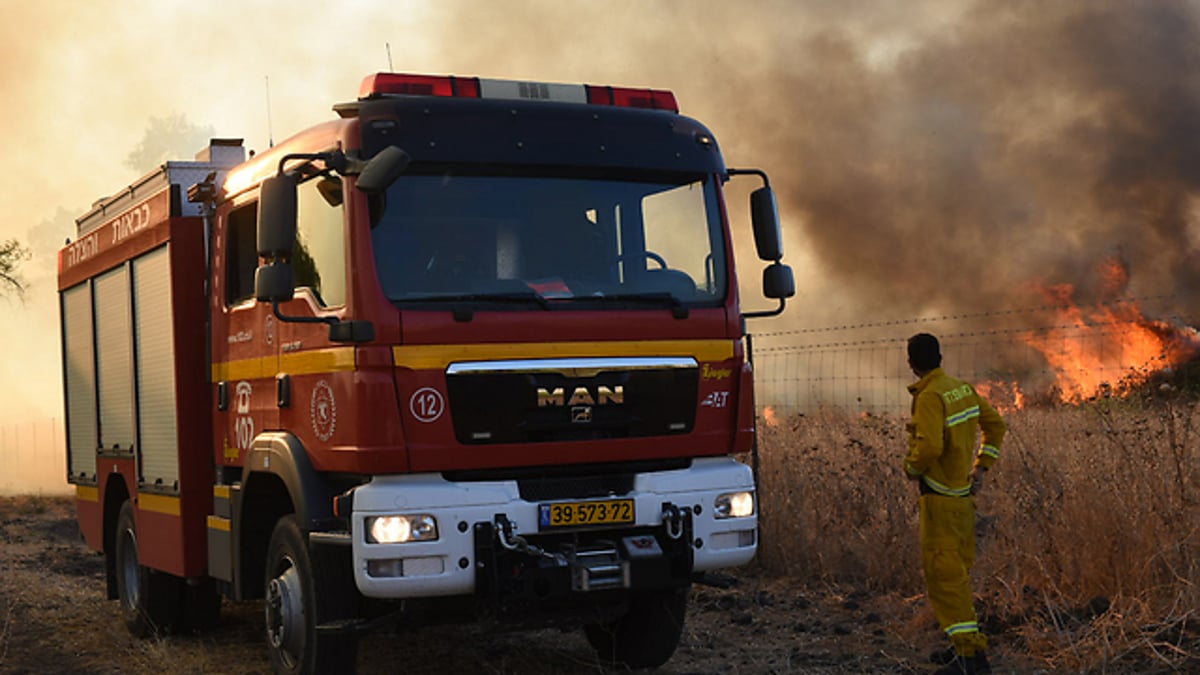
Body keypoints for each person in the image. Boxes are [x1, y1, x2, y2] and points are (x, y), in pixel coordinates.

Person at [904, 333, 1006, 675]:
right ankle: (967, 653)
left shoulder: (931, 396)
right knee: (957, 577)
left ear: (911, 363)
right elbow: (996, 426)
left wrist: (911, 466)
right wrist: (981, 468)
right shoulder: (961, 388)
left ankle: (970, 661)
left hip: (940, 503)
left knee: (944, 579)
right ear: (941, 357)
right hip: (962, 501)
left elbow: (930, 446)